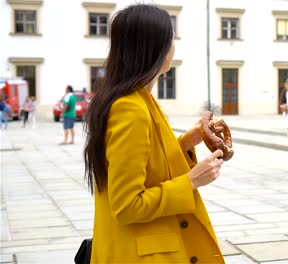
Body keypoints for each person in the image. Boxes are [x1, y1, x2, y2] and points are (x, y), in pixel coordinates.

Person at [83, 4, 225, 263]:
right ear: (155, 48)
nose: (173, 46)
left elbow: (144, 164)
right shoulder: (130, 108)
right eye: (170, 39)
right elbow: (127, 206)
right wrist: (191, 181)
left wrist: (184, 143)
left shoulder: (137, 98)